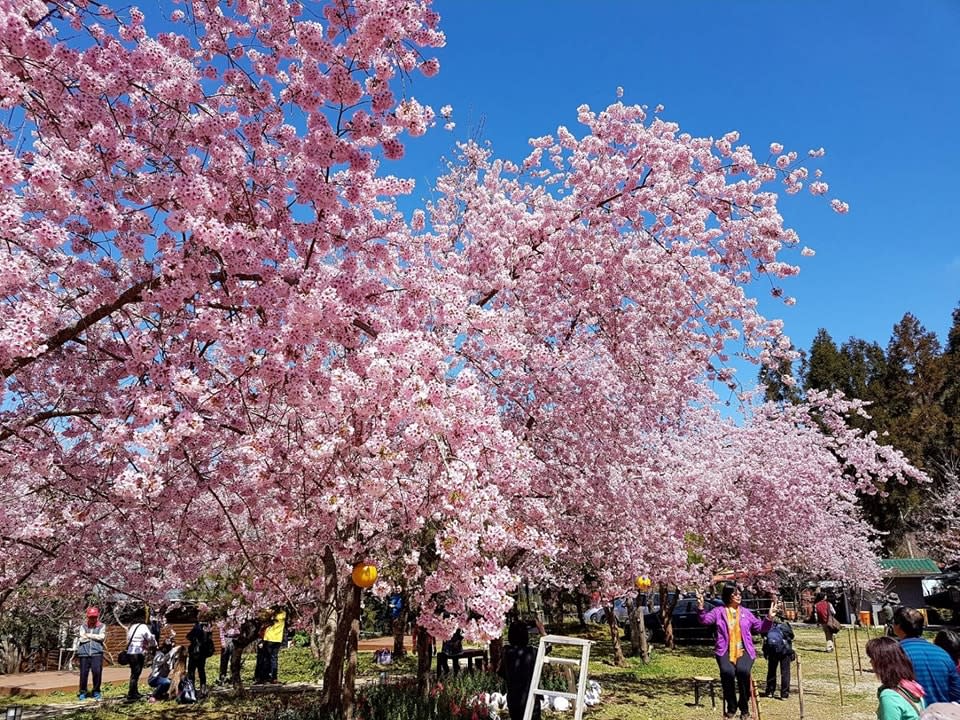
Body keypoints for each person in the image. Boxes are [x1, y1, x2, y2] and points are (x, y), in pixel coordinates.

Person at [698, 584, 776, 720]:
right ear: (728, 596)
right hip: (725, 650)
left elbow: (760, 627)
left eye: (739, 593)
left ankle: (744, 707)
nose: (739, 596)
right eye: (735, 594)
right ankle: (732, 707)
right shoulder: (719, 611)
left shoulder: (746, 612)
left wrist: (769, 618)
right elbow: (704, 620)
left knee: (743, 671)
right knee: (727, 673)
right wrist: (700, 607)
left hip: (744, 650)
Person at [893, 607, 960, 704]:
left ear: (898, 626)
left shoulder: (895, 653)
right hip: (943, 714)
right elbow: (956, 693)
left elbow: (892, 692)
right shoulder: (942, 653)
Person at [866, 636, 927, 719]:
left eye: (872, 658)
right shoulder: (911, 686)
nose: (870, 662)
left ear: (882, 663)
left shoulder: (889, 696)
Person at [499, 619, 546, 720]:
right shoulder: (532, 652)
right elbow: (548, 646)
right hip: (531, 699)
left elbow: (501, 672)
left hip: (513, 699)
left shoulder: (506, 652)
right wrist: (542, 631)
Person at [762, 615, 795, 700]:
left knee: (771, 671)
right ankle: (784, 694)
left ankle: (770, 691)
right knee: (785, 672)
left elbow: (764, 637)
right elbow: (792, 636)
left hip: (772, 652)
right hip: (785, 651)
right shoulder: (785, 626)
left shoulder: (768, 626)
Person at [76, 607, 106, 700]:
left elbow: (102, 637)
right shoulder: (83, 626)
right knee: (83, 674)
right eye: (90, 617)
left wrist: (88, 635)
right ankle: (83, 692)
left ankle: (96, 691)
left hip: (96, 653)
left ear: (97, 616)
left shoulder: (101, 626)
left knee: (97, 672)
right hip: (84, 653)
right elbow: (81, 638)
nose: (92, 619)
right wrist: (94, 637)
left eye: (94, 617)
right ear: (87, 617)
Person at [124, 616, 156, 701]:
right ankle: (131, 693)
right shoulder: (143, 627)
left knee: (134, 673)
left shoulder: (132, 627)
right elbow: (149, 637)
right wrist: (154, 644)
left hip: (130, 652)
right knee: (136, 674)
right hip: (138, 652)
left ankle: (134, 691)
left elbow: (128, 639)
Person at [256, 607, 286, 684]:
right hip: (278, 639)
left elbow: (263, 614)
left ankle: (265, 677)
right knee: (274, 658)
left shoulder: (271, 615)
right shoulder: (283, 614)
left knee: (267, 658)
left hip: (268, 638)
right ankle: (274, 677)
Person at [187, 615, 215, 696]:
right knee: (201, 671)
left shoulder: (197, 627)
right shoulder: (208, 628)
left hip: (194, 653)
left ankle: (192, 690)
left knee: (191, 671)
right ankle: (203, 689)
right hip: (203, 654)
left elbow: (188, 636)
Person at [147, 637, 176, 702]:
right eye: (168, 648)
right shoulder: (159, 655)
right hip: (154, 678)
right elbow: (163, 660)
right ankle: (154, 695)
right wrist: (172, 651)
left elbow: (171, 666)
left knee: (173, 682)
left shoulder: (168, 656)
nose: (169, 649)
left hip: (162, 678)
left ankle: (161, 694)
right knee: (167, 682)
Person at [217, 619, 241, 685]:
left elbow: (238, 631)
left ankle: (234, 677)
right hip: (226, 638)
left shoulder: (237, 620)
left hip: (235, 639)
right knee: (224, 660)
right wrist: (223, 643)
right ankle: (222, 677)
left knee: (234, 660)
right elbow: (221, 632)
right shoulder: (223, 621)